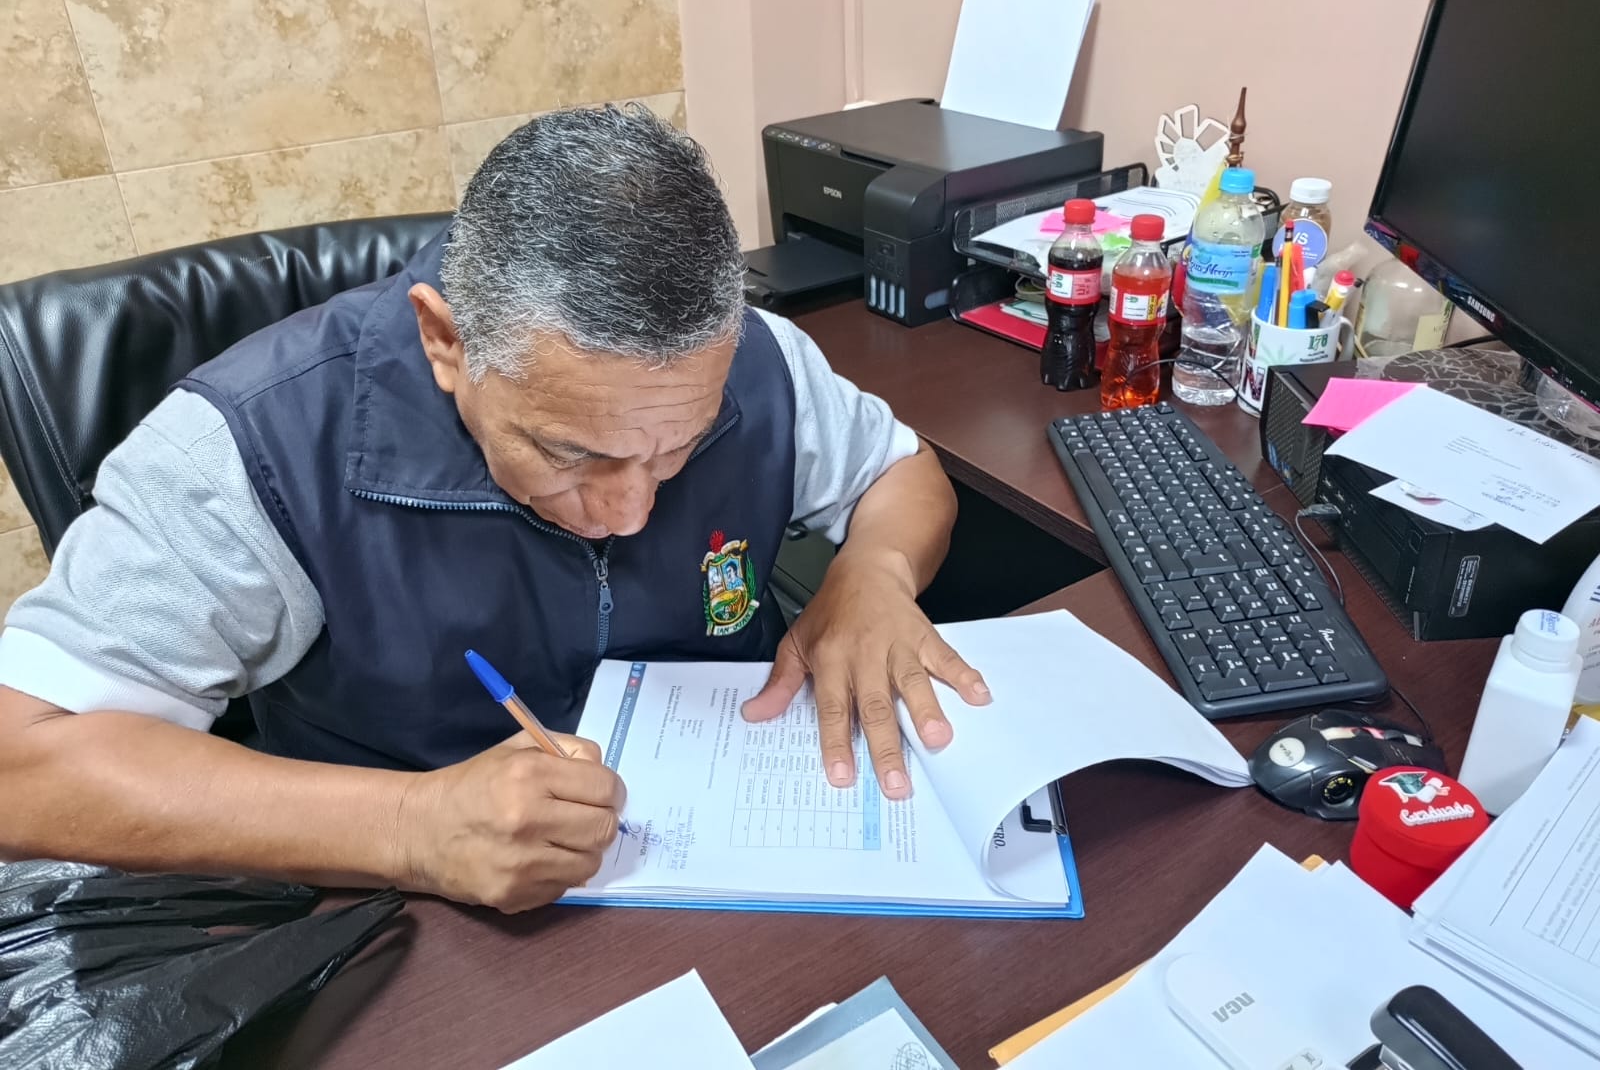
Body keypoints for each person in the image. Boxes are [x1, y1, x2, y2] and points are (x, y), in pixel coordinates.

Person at [0, 106, 989, 913]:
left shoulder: (761, 361)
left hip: (741, 858)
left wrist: (874, 572)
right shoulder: (256, 444)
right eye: (570, 453)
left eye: (680, 449)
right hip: (407, 918)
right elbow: (23, 761)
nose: (629, 510)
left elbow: (904, 474)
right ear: (445, 341)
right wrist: (409, 828)